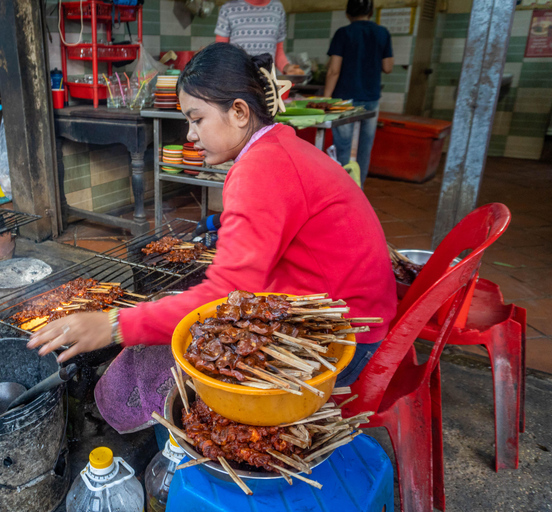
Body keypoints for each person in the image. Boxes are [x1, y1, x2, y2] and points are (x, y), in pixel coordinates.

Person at [28, 43, 396, 434]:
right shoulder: (280, 147)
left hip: (345, 343)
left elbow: (226, 294)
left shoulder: (260, 169)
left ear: (238, 112)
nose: (189, 135)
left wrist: (115, 325)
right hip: (355, 315)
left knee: (180, 355)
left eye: (196, 119)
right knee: (179, 312)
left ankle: (168, 447)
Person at [324, 0, 393, 186]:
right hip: (371, 97)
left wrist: (326, 98)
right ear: (371, 11)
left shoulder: (343, 33)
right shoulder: (382, 33)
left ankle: (344, 188)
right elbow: (388, 67)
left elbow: (333, 70)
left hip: (344, 100)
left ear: (348, 13)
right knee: (365, 147)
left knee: (343, 146)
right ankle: (358, 188)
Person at [214, 0, 302, 75]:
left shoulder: (277, 8)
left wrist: (287, 68)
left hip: (268, 81)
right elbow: (220, 52)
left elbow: (278, 50)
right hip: (239, 80)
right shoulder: (228, 9)